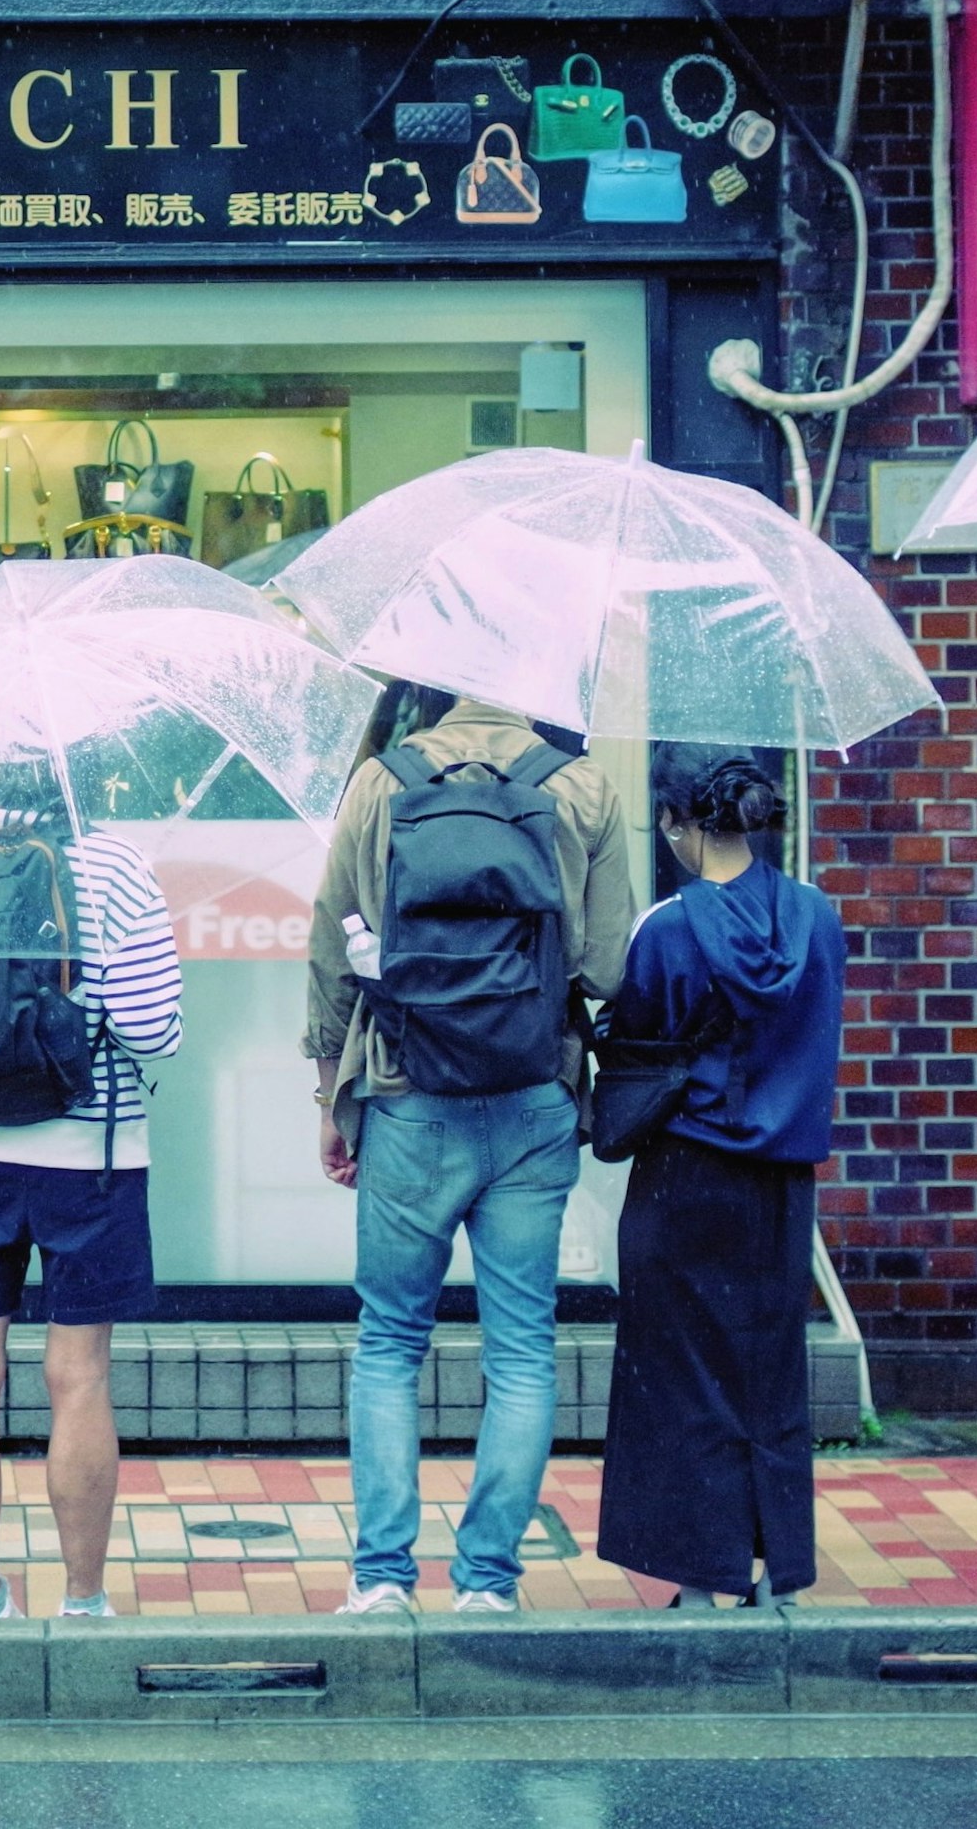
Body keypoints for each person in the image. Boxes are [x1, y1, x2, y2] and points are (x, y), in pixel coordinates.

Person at [305, 684, 635, 1615]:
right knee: (523, 1350)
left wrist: (330, 1092)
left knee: (390, 1343)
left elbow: (332, 946)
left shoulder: (380, 782)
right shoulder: (582, 787)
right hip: (535, 1094)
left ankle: (381, 1580)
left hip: (408, 1092)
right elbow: (609, 965)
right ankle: (488, 1581)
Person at [0, 756, 181, 1622]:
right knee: (79, 1376)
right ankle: (85, 1601)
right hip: (88, 1153)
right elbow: (155, 1029)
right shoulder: (112, 863)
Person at [594, 750, 846, 1608]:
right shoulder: (817, 916)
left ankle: (699, 1584)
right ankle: (781, 1577)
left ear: (676, 824)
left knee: (682, 1375)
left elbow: (637, 1048)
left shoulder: (664, 928)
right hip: (781, 1184)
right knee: (772, 1372)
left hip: (683, 1173)